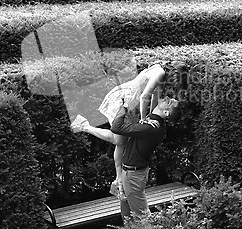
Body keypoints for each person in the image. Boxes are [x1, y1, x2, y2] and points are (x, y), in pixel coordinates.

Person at [72, 61, 181, 199]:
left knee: (121, 141)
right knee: (118, 139)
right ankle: (84, 126)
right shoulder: (160, 73)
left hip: (131, 103)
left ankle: (119, 181)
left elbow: (154, 96)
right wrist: (144, 118)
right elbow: (144, 96)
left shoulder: (161, 75)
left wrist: (150, 115)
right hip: (124, 99)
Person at [73, 95, 180, 220]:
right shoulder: (151, 119)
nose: (167, 98)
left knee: (142, 216)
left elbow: (116, 128)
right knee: (127, 213)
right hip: (129, 172)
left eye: (170, 102)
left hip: (133, 175)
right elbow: (153, 92)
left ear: (166, 112)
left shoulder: (152, 127)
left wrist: (124, 107)